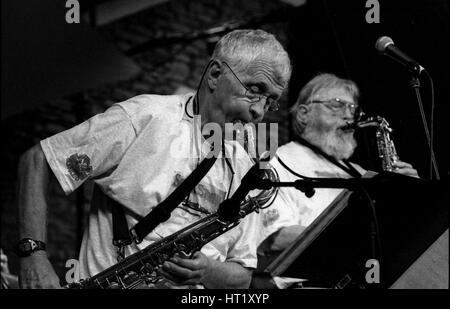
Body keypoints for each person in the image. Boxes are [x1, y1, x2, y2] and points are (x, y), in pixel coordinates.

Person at [17, 29, 292, 289]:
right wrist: (33, 255)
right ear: (215, 75)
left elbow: (243, 276)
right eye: (254, 89)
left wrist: (208, 270)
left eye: (270, 101)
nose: (259, 112)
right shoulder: (146, 117)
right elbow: (39, 160)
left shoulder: (247, 170)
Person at [255, 73, 418, 286]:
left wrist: (411, 194)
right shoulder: (278, 161)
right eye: (337, 105)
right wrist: (357, 240)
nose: (348, 116)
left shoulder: (360, 172)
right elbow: (276, 237)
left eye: (352, 109)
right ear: (304, 113)